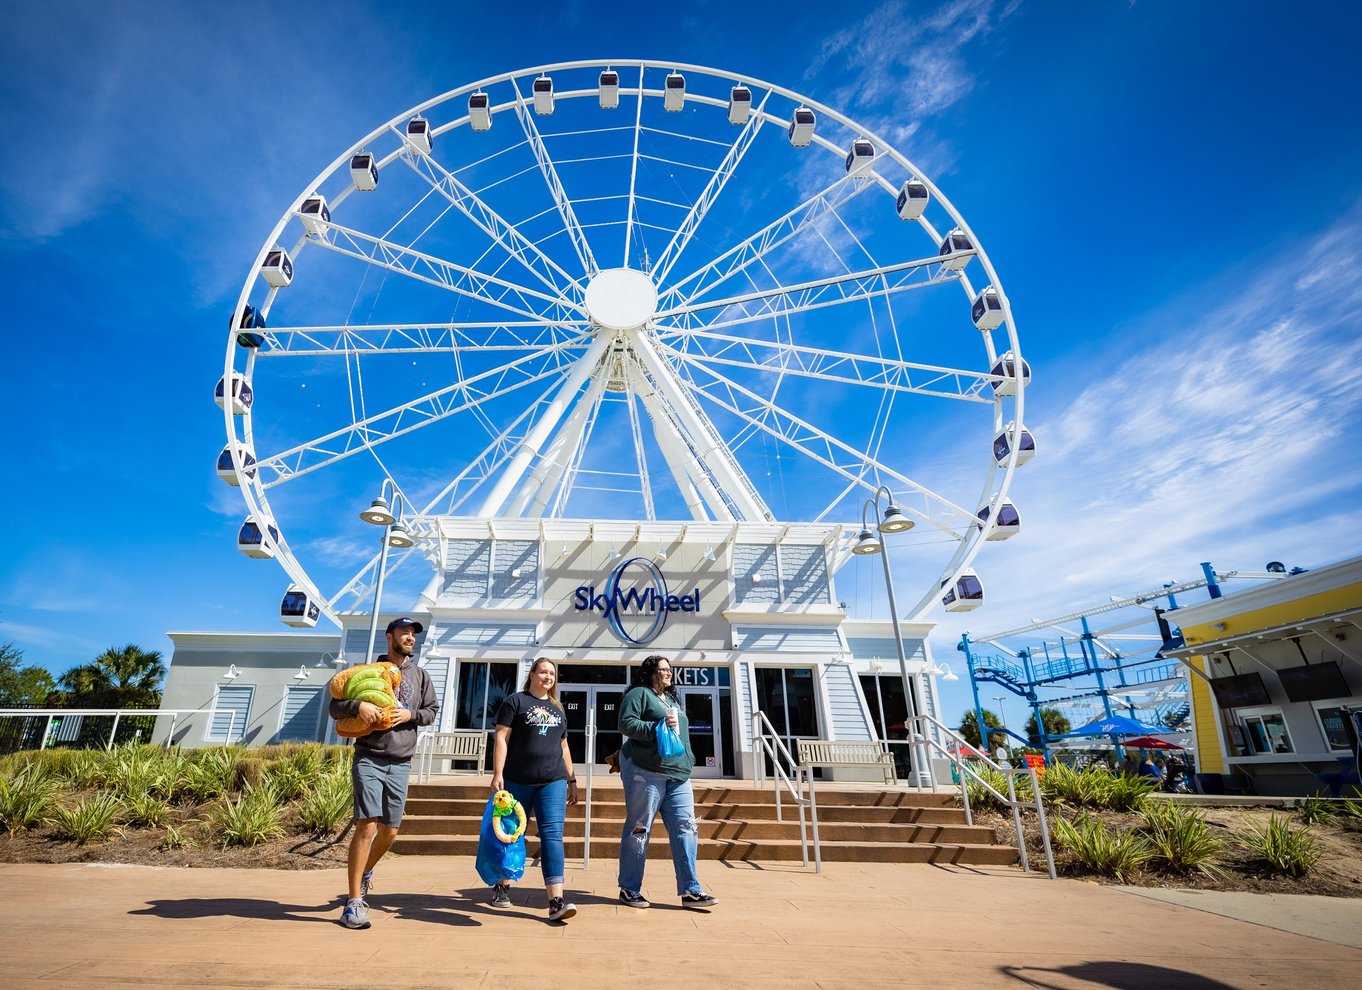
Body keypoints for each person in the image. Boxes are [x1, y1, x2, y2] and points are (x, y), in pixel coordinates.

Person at [328, 617, 439, 930]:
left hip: (401, 761)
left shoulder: (419, 676)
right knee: (367, 825)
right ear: (389, 637)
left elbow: (431, 711)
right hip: (370, 757)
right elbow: (335, 708)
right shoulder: (365, 671)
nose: (410, 639)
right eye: (404, 633)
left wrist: (410, 714)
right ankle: (352, 904)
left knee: (390, 831)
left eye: (413, 635)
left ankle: (365, 872)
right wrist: (357, 706)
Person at [615, 654, 718, 910]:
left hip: (678, 775)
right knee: (639, 829)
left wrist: (689, 757)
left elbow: (679, 732)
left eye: (670, 669)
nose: (668, 673)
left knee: (686, 829)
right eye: (663, 669)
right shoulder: (639, 694)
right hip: (645, 771)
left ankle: (691, 890)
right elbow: (625, 724)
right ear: (650, 673)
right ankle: (629, 889)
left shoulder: (671, 698)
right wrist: (657, 726)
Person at [490, 657, 579, 923]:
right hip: (517, 781)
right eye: (543, 672)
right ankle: (503, 886)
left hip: (553, 781)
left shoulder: (557, 708)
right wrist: (498, 773)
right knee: (511, 834)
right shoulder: (515, 702)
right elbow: (501, 737)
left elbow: (564, 747)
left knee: (553, 835)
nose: (548, 677)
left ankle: (555, 900)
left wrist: (572, 781)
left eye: (552, 673)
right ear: (532, 674)